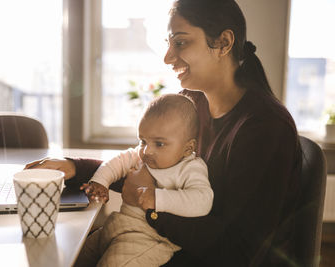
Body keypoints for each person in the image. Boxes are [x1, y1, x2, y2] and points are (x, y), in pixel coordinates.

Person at [26, 0, 302, 266]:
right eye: (168, 43)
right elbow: (157, 173)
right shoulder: (193, 104)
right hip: (183, 245)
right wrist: (76, 168)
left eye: (180, 42)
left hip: (212, 258)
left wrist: (151, 207)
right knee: (69, 253)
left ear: (224, 43)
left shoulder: (265, 128)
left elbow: (238, 252)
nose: (167, 57)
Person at [74, 94, 213, 267]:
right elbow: (116, 162)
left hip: (149, 240)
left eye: (159, 144)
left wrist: (157, 198)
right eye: (143, 141)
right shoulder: (143, 156)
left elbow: (202, 199)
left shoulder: (190, 168)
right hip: (116, 225)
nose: (147, 151)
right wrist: (101, 182)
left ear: (188, 148)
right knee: (78, 253)